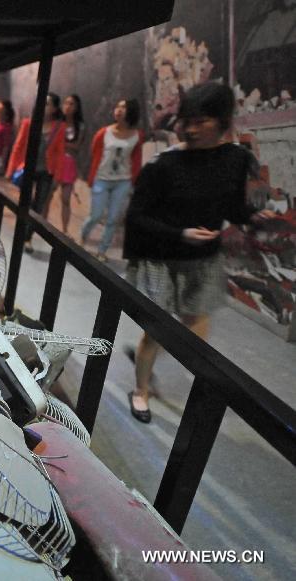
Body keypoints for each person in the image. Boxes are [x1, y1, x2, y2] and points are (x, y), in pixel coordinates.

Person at [123, 83, 275, 423]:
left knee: (194, 331)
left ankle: (155, 369)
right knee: (157, 331)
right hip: (163, 258)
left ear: (222, 121)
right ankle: (141, 390)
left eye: (200, 120)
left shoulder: (235, 160)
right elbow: (137, 217)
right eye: (186, 119)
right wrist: (180, 233)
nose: (189, 128)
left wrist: (251, 217)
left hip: (204, 260)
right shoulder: (163, 165)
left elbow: (231, 206)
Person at [80, 98, 144, 261]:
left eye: (123, 107)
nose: (119, 110)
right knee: (96, 215)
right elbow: (95, 154)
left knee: (113, 218)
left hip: (123, 181)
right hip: (102, 178)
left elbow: (136, 160)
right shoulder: (104, 133)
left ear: (131, 112)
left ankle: (102, 251)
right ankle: (82, 239)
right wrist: (92, 178)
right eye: (118, 107)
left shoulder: (137, 136)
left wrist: (133, 183)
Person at [5, 92, 66, 250]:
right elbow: (18, 147)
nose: (43, 106)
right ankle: (21, 231)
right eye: (41, 103)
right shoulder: (28, 123)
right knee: (25, 202)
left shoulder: (59, 128)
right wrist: (11, 169)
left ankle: (27, 237)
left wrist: (57, 176)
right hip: (27, 168)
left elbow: (60, 153)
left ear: (54, 108)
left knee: (39, 206)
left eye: (47, 104)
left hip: (46, 171)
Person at [53, 95, 85, 234]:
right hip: (55, 162)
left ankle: (65, 230)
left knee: (65, 198)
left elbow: (77, 146)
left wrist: (62, 144)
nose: (67, 106)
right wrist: (65, 145)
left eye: (71, 104)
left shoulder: (80, 126)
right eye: (66, 103)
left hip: (69, 163)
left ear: (77, 107)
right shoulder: (57, 122)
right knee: (47, 197)